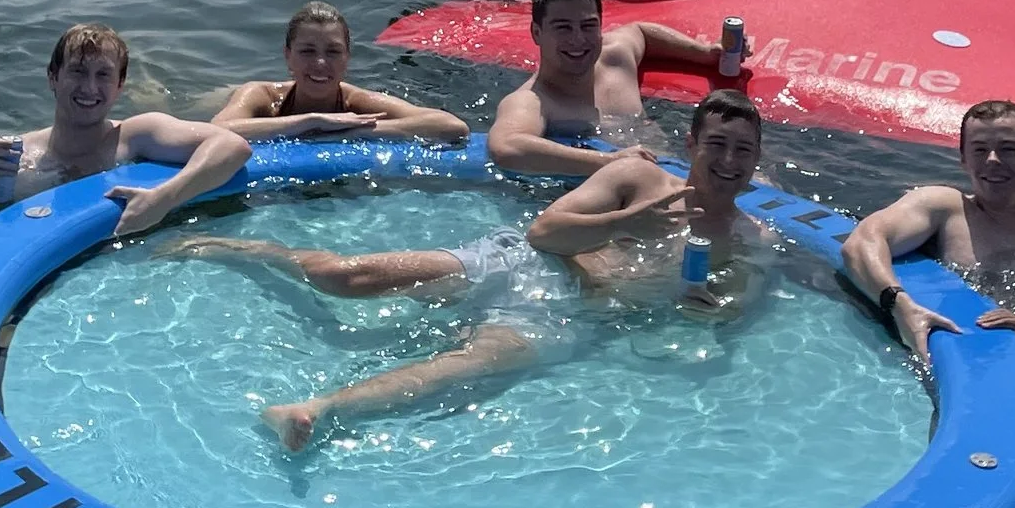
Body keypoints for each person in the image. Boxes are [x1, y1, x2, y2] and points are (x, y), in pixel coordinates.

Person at [168, 91, 777, 451]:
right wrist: (626, 223)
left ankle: (316, 410)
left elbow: (729, 315)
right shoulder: (637, 179)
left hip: (565, 316)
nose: (727, 161)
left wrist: (711, 311)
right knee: (346, 277)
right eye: (715, 144)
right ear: (693, 142)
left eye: (742, 151)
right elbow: (546, 231)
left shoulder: (752, 240)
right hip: (518, 261)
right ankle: (249, 251)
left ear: (755, 161)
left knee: (455, 368)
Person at [839, 98, 1015, 367]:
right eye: (980, 150)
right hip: (949, 352)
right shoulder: (945, 208)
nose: (993, 160)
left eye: (1008, 149)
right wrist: (899, 305)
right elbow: (862, 242)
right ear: (963, 160)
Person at [0, 23, 254, 235]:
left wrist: (163, 199)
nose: (89, 88)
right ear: (53, 77)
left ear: (120, 86)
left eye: (103, 75)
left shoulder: (132, 137)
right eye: (78, 72)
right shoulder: (9, 155)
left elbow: (232, 146)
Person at [485, 0, 737, 175]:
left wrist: (703, 53)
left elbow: (641, 32)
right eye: (563, 28)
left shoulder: (615, 58)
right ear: (536, 33)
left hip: (675, 166)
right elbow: (506, 147)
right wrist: (609, 162)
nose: (578, 39)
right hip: (618, 192)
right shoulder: (534, 100)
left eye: (588, 26)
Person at [211, 0, 470, 144]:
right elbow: (217, 130)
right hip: (222, 98)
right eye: (307, 51)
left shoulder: (355, 102)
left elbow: (451, 126)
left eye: (333, 52)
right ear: (287, 56)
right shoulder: (260, 95)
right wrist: (310, 122)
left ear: (347, 59)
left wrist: (353, 132)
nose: (321, 63)